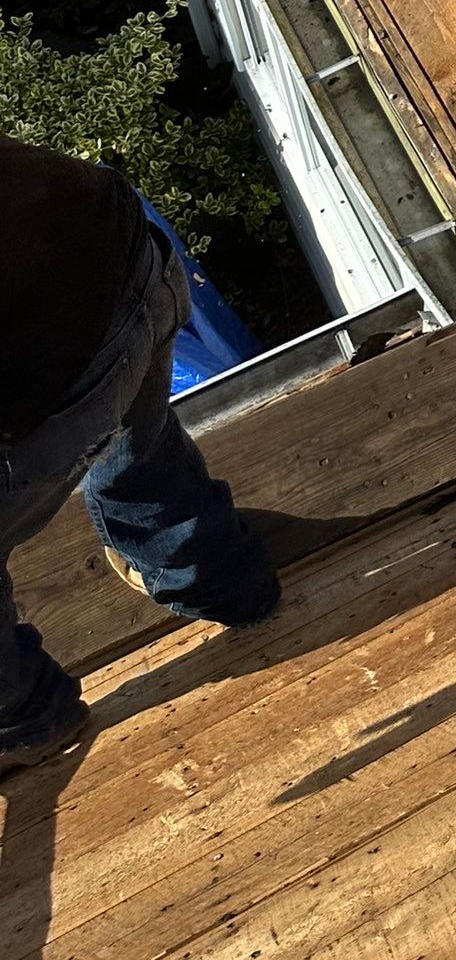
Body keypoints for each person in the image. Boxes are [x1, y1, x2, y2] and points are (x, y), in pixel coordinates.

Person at [0, 139, 279, 774]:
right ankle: (225, 581)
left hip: (65, 354)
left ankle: (25, 718)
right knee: (138, 440)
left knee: (106, 419)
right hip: (126, 253)